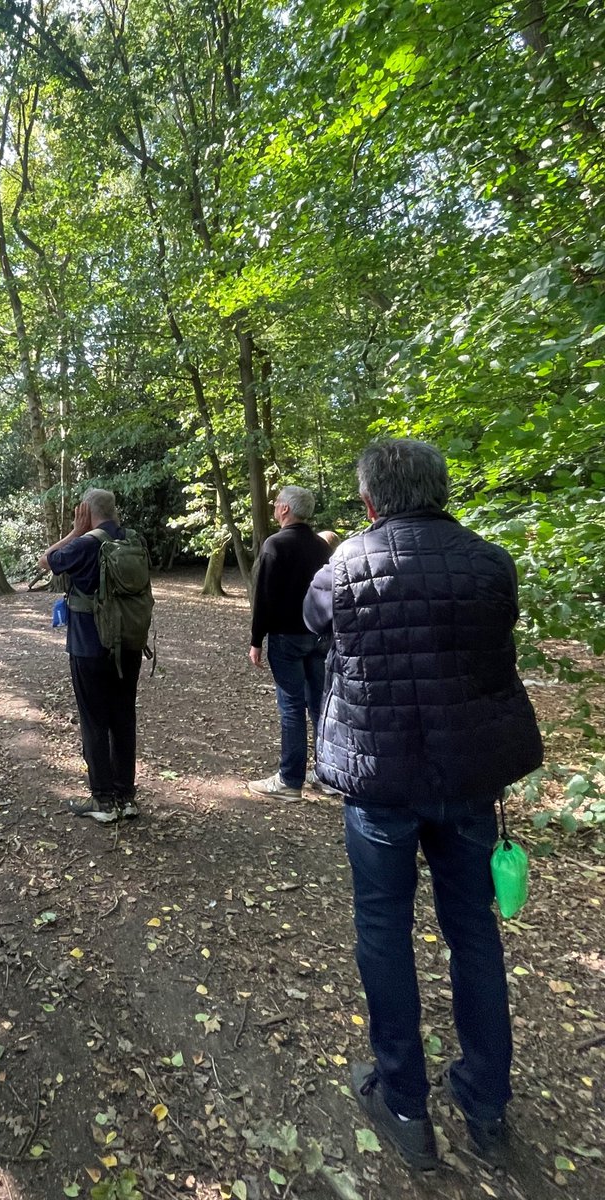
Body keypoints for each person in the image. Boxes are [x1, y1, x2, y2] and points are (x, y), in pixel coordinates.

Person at [304, 439, 543, 1172]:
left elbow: (317, 627)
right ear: (441, 492)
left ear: (371, 500)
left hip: (379, 781)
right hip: (468, 776)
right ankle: (486, 1105)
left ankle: (404, 1102)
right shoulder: (489, 562)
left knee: (383, 927)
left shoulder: (341, 565)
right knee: (474, 934)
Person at [39, 488, 144, 825]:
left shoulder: (85, 545)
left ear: (84, 510)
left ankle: (103, 800)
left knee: (95, 721)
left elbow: (46, 560)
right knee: (124, 717)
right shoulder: (134, 540)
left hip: (90, 647)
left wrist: (75, 530)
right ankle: (126, 797)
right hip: (128, 643)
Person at [247, 486, 336, 801]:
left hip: (287, 638)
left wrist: (256, 640)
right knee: (321, 706)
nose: (274, 506)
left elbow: (264, 598)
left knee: (292, 707)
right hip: (320, 638)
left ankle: (289, 780)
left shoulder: (276, 545)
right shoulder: (321, 547)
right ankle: (327, 775)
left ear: (285, 509)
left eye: (277, 503)